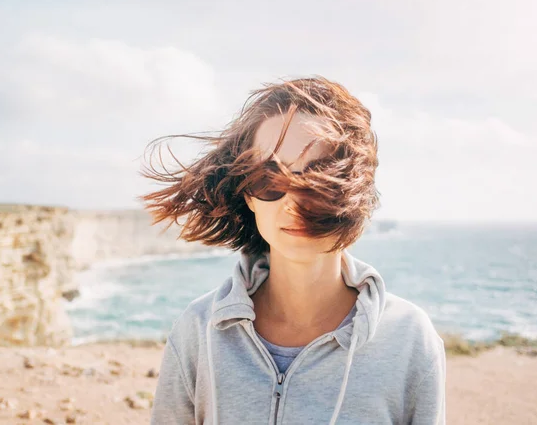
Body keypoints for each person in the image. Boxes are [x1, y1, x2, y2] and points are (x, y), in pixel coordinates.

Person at [140, 77, 446, 424]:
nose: (293, 203)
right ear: (248, 194)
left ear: (353, 190)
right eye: (269, 180)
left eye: (319, 180)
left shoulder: (408, 339)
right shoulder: (199, 329)